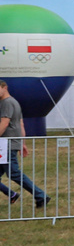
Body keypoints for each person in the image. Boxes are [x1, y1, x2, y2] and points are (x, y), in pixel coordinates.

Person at [0, 80, 48, 209]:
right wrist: (22, 143)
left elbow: (4, 123)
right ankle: (11, 194)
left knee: (14, 173)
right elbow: (20, 124)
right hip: (9, 143)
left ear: (4, 87)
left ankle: (40, 195)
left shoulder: (6, 103)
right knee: (13, 173)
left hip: (6, 144)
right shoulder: (14, 102)